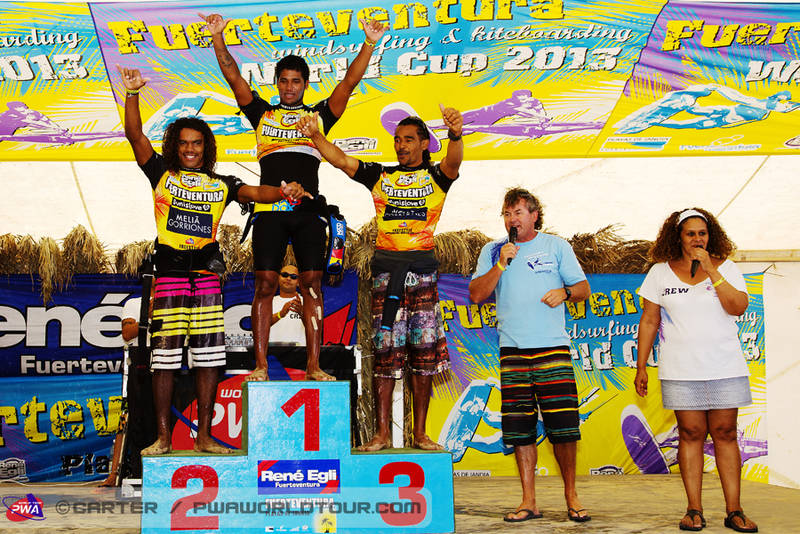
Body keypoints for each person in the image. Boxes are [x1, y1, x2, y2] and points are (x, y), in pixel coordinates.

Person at [118, 65, 310, 454]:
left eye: (197, 144)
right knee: (165, 360)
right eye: (184, 144)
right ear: (175, 147)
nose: (190, 149)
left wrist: (283, 191)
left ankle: (204, 437)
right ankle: (162, 438)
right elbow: (135, 136)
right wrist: (133, 93)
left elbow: (255, 192)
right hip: (169, 275)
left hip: (207, 276)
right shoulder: (161, 173)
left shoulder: (222, 184)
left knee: (207, 359)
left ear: (207, 148)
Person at [201, 13, 387, 382]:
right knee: (265, 286)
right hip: (269, 211)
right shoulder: (263, 114)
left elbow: (349, 83)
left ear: (305, 84)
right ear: (277, 83)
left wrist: (369, 43)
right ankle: (260, 365)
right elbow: (234, 78)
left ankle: (314, 365)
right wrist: (218, 37)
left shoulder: (318, 116)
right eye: (284, 81)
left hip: (308, 212)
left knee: (312, 285)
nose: (289, 87)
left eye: (296, 81)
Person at [296, 104, 464, 451]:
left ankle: (420, 434)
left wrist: (456, 134)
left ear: (424, 144)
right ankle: (382, 434)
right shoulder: (381, 176)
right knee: (385, 353)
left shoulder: (436, 177)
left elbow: (454, 162)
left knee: (424, 355)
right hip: (387, 274)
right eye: (397, 140)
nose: (401, 145)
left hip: (422, 275)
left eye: (408, 140)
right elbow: (342, 161)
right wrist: (315, 136)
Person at [468, 188, 591, 523]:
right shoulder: (493, 251)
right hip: (513, 351)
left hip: (552, 347)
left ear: (535, 215)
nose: (512, 219)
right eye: (507, 214)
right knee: (519, 428)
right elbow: (477, 294)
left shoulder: (556, 246)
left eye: (519, 213)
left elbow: (583, 289)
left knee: (563, 427)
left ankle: (572, 496)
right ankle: (529, 501)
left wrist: (565, 292)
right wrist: (500, 264)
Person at [635, 208, 757, 533]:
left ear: (710, 235)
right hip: (681, 369)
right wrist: (641, 366)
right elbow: (649, 320)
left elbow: (738, 306)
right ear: (678, 237)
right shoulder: (660, 273)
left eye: (702, 233)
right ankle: (694, 510)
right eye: (691, 234)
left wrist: (711, 269)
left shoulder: (725, 267)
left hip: (724, 366)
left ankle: (734, 511)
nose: (697, 239)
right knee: (689, 434)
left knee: (725, 433)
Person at [270, 263, 305, 346]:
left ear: (298, 282)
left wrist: (302, 313)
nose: (288, 278)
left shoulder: (307, 302)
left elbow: (316, 328)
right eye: (284, 275)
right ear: (278, 278)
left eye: (293, 277)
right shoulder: (268, 302)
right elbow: (259, 326)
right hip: (272, 352)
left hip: (300, 351)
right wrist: (280, 314)